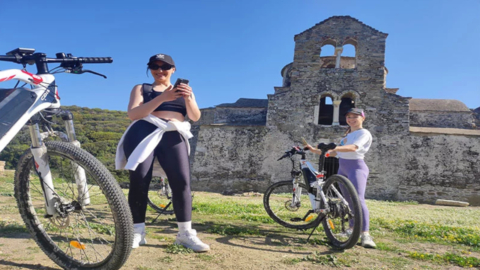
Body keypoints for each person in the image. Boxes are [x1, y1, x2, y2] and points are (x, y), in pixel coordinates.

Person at [115, 53, 210, 252]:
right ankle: (137, 232)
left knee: (182, 181)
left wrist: (188, 98)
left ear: (173, 70)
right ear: (150, 69)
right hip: (143, 131)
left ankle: (185, 234)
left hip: (173, 133)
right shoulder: (142, 88)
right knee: (139, 179)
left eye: (165, 67)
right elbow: (133, 114)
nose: (160, 71)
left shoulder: (184, 91)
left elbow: (194, 117)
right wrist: (163, 98)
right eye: (155, 67)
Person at [304, 108, 376, 248]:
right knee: (348, 201)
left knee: (358, 200)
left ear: (363, 118)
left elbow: (353, 148)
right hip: (342, 168)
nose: (351, 119)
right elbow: (332, 154)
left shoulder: (363, 133)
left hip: (356, 167)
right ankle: (351, 229)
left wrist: (334, 147)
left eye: (355, 116)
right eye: (349, 117)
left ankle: (365, 234)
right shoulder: (346, 136)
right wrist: (313, 149)